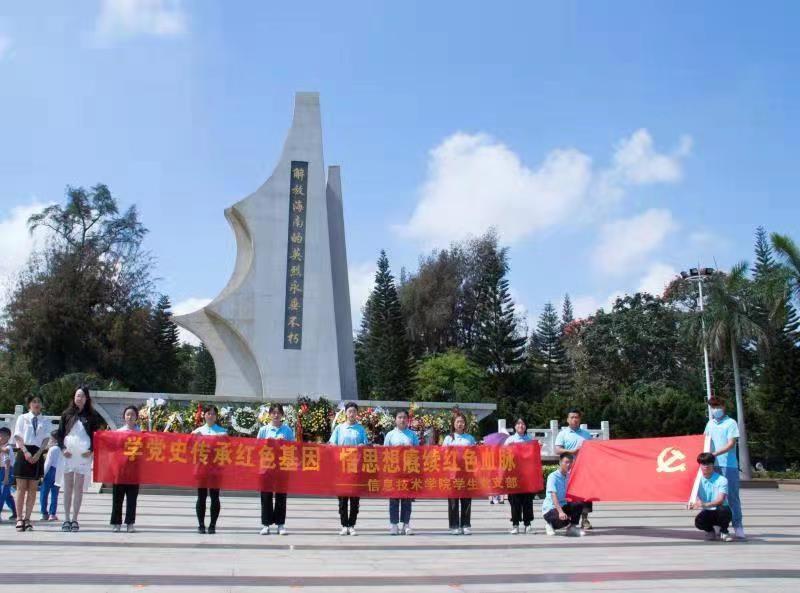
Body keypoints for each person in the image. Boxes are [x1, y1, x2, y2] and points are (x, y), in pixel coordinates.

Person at [56, 385, 102, 532]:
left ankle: (75, 518)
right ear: (74, 397)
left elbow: (97, 436)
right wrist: (63, 449)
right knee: (68, 487)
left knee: (78, 488)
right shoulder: (66, 414)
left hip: (83, 456)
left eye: (82, 396)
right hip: (68, 455)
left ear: (87, 398)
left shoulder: (92, 415)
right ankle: (66, 518)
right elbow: (59, 434)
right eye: (77, 395)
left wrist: (91, 450)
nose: (79, 398)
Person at [704, 396, 745, 540]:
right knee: (714, 497)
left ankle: (738, 526)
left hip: (729, 465)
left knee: (732, 497)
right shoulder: (710, 424)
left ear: (723, 406)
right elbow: (705, 441)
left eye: (717, 406)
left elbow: (731, 444)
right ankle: (717, 525)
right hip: (713, 465)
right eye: (713, 407)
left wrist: (714, 453)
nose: (715, 409)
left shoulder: (731, 423)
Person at [13, 395, 53, 532]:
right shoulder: (22, 418)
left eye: (39, 402)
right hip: (24, 452)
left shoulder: (45, 420)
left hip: (37, 454)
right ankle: (19, 518)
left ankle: (27, 518)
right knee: (21, 488)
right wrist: (25, 452)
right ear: (29, 404)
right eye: (34, 401)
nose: (36, 404)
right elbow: (18, 436)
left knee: (32, 489)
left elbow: (46, 439)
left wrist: (39, 453)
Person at [328, 401, 368, 536]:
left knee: (355, 498)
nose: (352, 414)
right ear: (345, 413)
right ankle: (344, 525)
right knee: (342, 498)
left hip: (356, 468)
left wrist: (363, 446)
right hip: (342, 468)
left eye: (354, 411)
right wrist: (334, 447)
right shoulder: (339, 428)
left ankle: (352, 525)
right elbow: (332, 443)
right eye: (349, 411)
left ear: (357, 414)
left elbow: (366, 444)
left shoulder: (360, 429)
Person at [256, 403, 295, 536]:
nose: (276, 415)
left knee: (281, 497)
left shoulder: (287, 430)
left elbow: (293, 448)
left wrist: (285, 443)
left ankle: (280, 524)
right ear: (269, 414)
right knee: (266, 496)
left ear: (282, 415)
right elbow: (256, 448)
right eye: (273, 413)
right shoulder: (264, 430)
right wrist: (267, 442)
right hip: (266, 468)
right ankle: (266, 524)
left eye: (278, 413)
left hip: (282, 467)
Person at [554, 408, 594, 530]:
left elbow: (592, 450)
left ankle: (585, 519)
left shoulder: (586, 434)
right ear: (567, 419)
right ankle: (570, 519)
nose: (574, 419)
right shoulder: (563, 434)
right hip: (568, 471)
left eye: (576, 417)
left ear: (580, 419)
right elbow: (557, 450)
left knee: (585, 496)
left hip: (583, 470)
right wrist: (572, 451)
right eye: (572, 417)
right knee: (570, 496)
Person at [383, 409, 420, 535]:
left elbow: (418, 452)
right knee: (394, 499)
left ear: (408, 420)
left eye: (404, 417)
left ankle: (406, 524)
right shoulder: (390, 435)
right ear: (395, 419)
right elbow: (384, 453)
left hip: (408, 471)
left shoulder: (412, 435)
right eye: (399, 417)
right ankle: (394, 525)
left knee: (407, 499)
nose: (402, 420)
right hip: (394, 471)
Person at [192, 405, 227, 534]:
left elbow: (228, 448)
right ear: (204, 415)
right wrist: (194, 438)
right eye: (208, 413)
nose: (211, 416)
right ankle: (201, 525)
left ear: (216, 416)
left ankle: (212, 525)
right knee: (201, 497)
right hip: (201, 468)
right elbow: (188, 448)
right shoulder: (198, 431)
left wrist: (223, 438)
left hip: (216, 469)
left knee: (214, 497)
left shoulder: (222, 431)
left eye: (213, 414)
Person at [443, 411, 476, 535]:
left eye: (462, 421)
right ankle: (454, 525)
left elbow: (475, 454)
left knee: (466, 499)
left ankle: (466, 525)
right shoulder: (448, 438)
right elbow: (443, 455)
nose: (460, 424)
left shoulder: (470, 438)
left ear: (465, 424)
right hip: (452, 474)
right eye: (457, 422)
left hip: (466, 473)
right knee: (453, 500)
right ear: (453, 423)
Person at [111, 405, 141, 533]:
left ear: (136, 417)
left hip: (134, 471)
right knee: (117, 498)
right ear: (124, 417)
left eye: (133, 414)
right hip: (120, 470)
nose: (130, 417)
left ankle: (130, 523)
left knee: (132, 499)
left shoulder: (141, 434)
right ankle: (116, 523)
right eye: (128, 414)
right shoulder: (118, 433)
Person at [691, 452, 734, 542]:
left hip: (719, 509)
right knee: (698, 522)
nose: (706, 466)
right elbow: (694, 496)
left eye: (709, 463)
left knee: (724, 510)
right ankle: (710, 531)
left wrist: (704, 504)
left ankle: (724, 531)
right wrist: (694, 503)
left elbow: (720, 500)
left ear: (713, 464)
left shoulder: (722, 480)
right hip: (707, 511)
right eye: (703, 463)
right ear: (700, 465)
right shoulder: (696, 480)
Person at [542, 452, 585, 537]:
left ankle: (571, 528)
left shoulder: (569, 476)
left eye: (570, 462)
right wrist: (561, 512)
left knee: (579, 504)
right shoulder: (553, 477)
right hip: (551, 509)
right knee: (563, 520)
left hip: (563, 505)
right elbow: (553, 495)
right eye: (566, 462)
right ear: (560, 462)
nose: (568, 465)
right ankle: (550, 524)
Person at [504, 418, 535, 534]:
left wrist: (538, 446)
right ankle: (515, 524)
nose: (520, 426)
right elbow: (503, 455)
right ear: (514, 426)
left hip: (527, 475)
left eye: (523, 423)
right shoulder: (510, 439)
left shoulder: (530, 439)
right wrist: (508, 448)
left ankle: (528, 524)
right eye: (518, 423)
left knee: (528, 500)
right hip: (514, 474)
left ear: (526, 426)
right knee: (514, 500)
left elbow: (534, 456)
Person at [40, 432, 62, 521]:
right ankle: (52, 514)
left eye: (51, 438)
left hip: (50, 471)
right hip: (59, 471)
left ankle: (44, 513)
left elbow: (48, 463)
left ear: (55, 439)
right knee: (54, 494)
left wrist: (43, 474)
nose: (50, 440)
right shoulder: (63, 449)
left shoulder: (52, 449)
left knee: (44, 493)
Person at [0, 426, 18, 522]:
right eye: (0, 435)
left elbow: (7, 462)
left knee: (2, 494)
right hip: (1, 470)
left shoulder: (8, 447)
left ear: (8, 437)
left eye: (3, 435)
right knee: (7, 495)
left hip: (7, 471)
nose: (1, 437)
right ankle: (15, 513)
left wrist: (6, 477)